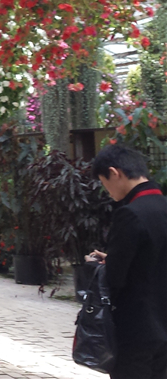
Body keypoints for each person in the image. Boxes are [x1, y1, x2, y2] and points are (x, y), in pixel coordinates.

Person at [87, 145, 167, 379]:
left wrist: (105, 266)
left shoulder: (130, 214)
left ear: (114, 173)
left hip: (136, 329)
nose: (107, 190)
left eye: (104, 182)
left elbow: (116, 278)